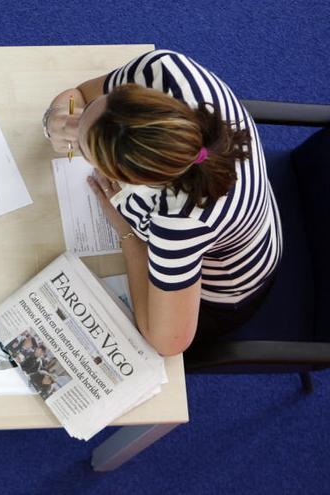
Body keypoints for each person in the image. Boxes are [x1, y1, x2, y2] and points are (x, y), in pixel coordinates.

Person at [42, 50, 280, 355]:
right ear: (133, 90)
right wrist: (60, 112)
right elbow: (82, 93)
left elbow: (168, 342)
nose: (74, 125)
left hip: (227, 290)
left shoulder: (181, 221)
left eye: (85, 153)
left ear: (134, 181)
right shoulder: (166, 71)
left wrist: (127, 232)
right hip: (255, 222)